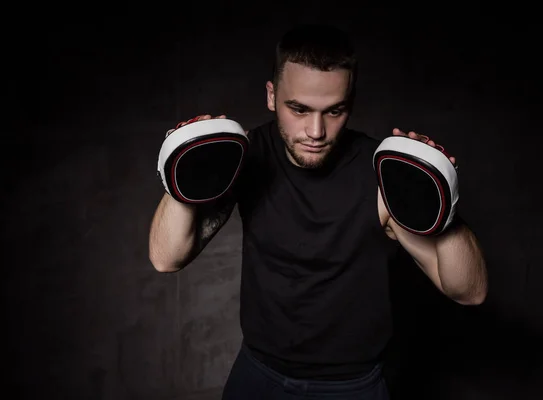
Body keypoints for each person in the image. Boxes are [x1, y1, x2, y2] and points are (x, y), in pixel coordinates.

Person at [149, 23, 488, 400]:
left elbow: (468, 291)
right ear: (271, 95)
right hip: (258, 376)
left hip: (351, 387)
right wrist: (187, 169)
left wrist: (438, 191)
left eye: (334, 111)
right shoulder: (246, 156)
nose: (316, 131)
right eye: (299, 109)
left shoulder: (382, 175)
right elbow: (166, 258)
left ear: (351, 102)